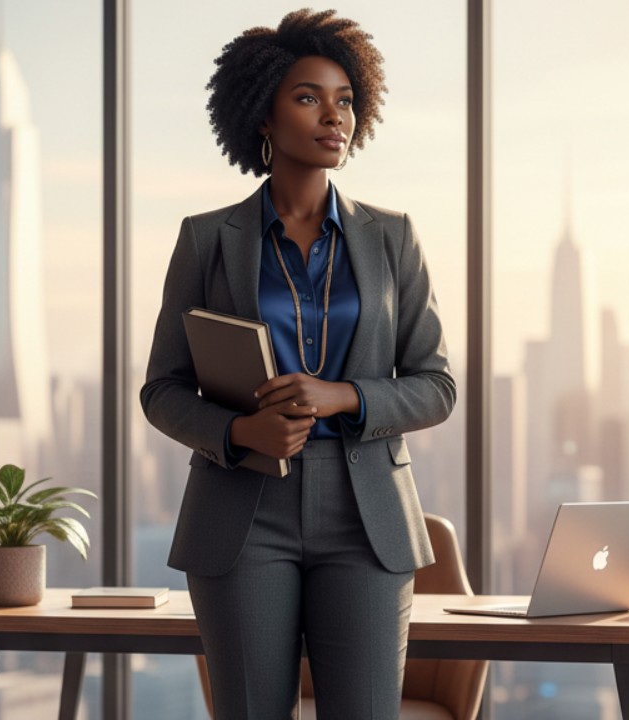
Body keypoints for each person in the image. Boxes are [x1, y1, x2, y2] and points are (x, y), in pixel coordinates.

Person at [140, 9, 455, 719]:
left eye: (345, 100)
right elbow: (161, 389)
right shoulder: (206, 240)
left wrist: (343, 396)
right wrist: (238, 433)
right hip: (242, 511)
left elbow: (437, 386)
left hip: (365, 513)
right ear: (263, 115)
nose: (333, 115)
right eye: (309, 98)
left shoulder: (393, 238)